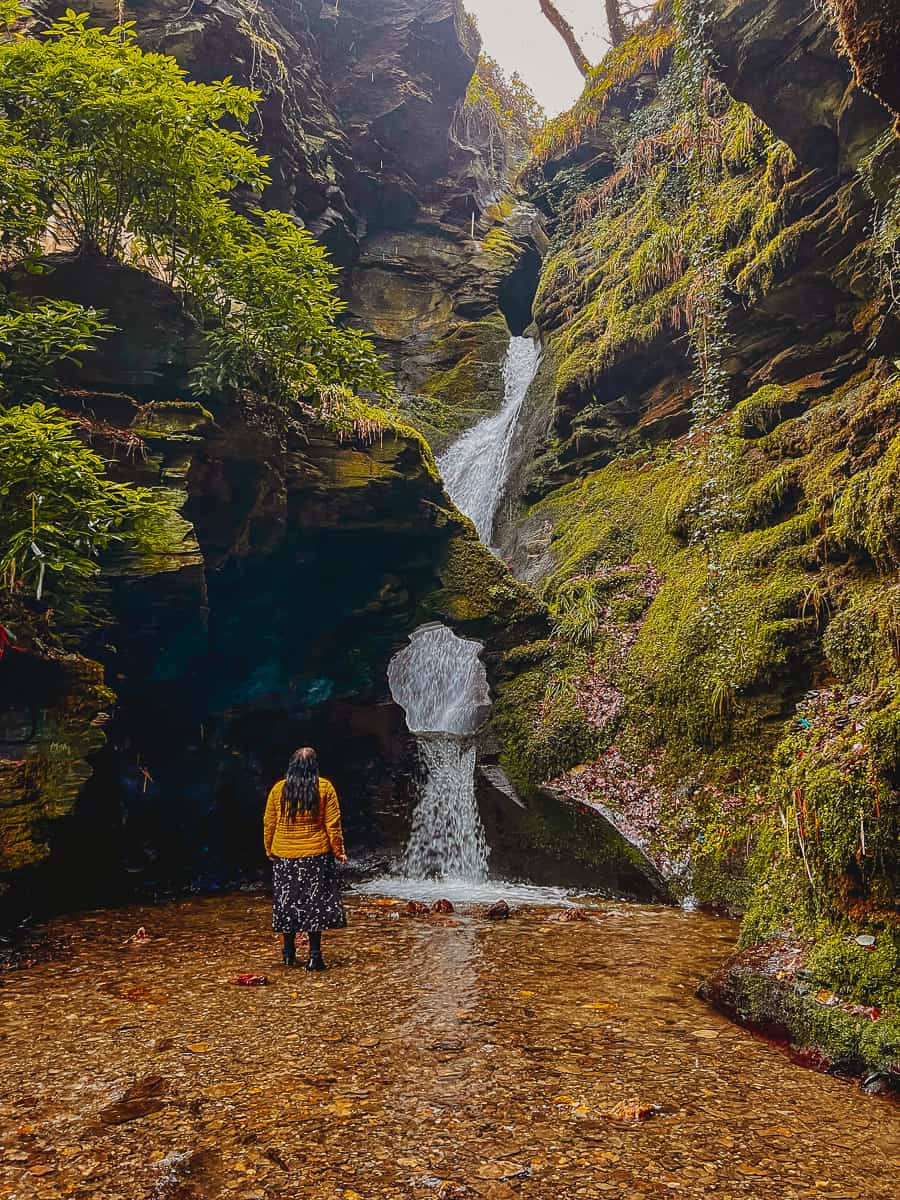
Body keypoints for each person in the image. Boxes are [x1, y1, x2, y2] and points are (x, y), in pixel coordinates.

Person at [263, 747, 347, 970]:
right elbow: (333, 825)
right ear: (314, 766)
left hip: (284, 854)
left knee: (287, 903)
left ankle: (289, 954)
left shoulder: (278, 789)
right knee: (314, 905)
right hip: (315, 854)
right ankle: (314, 956)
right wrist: (339, 851)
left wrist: (269, 848)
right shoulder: (324, 787)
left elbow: (269, 823)